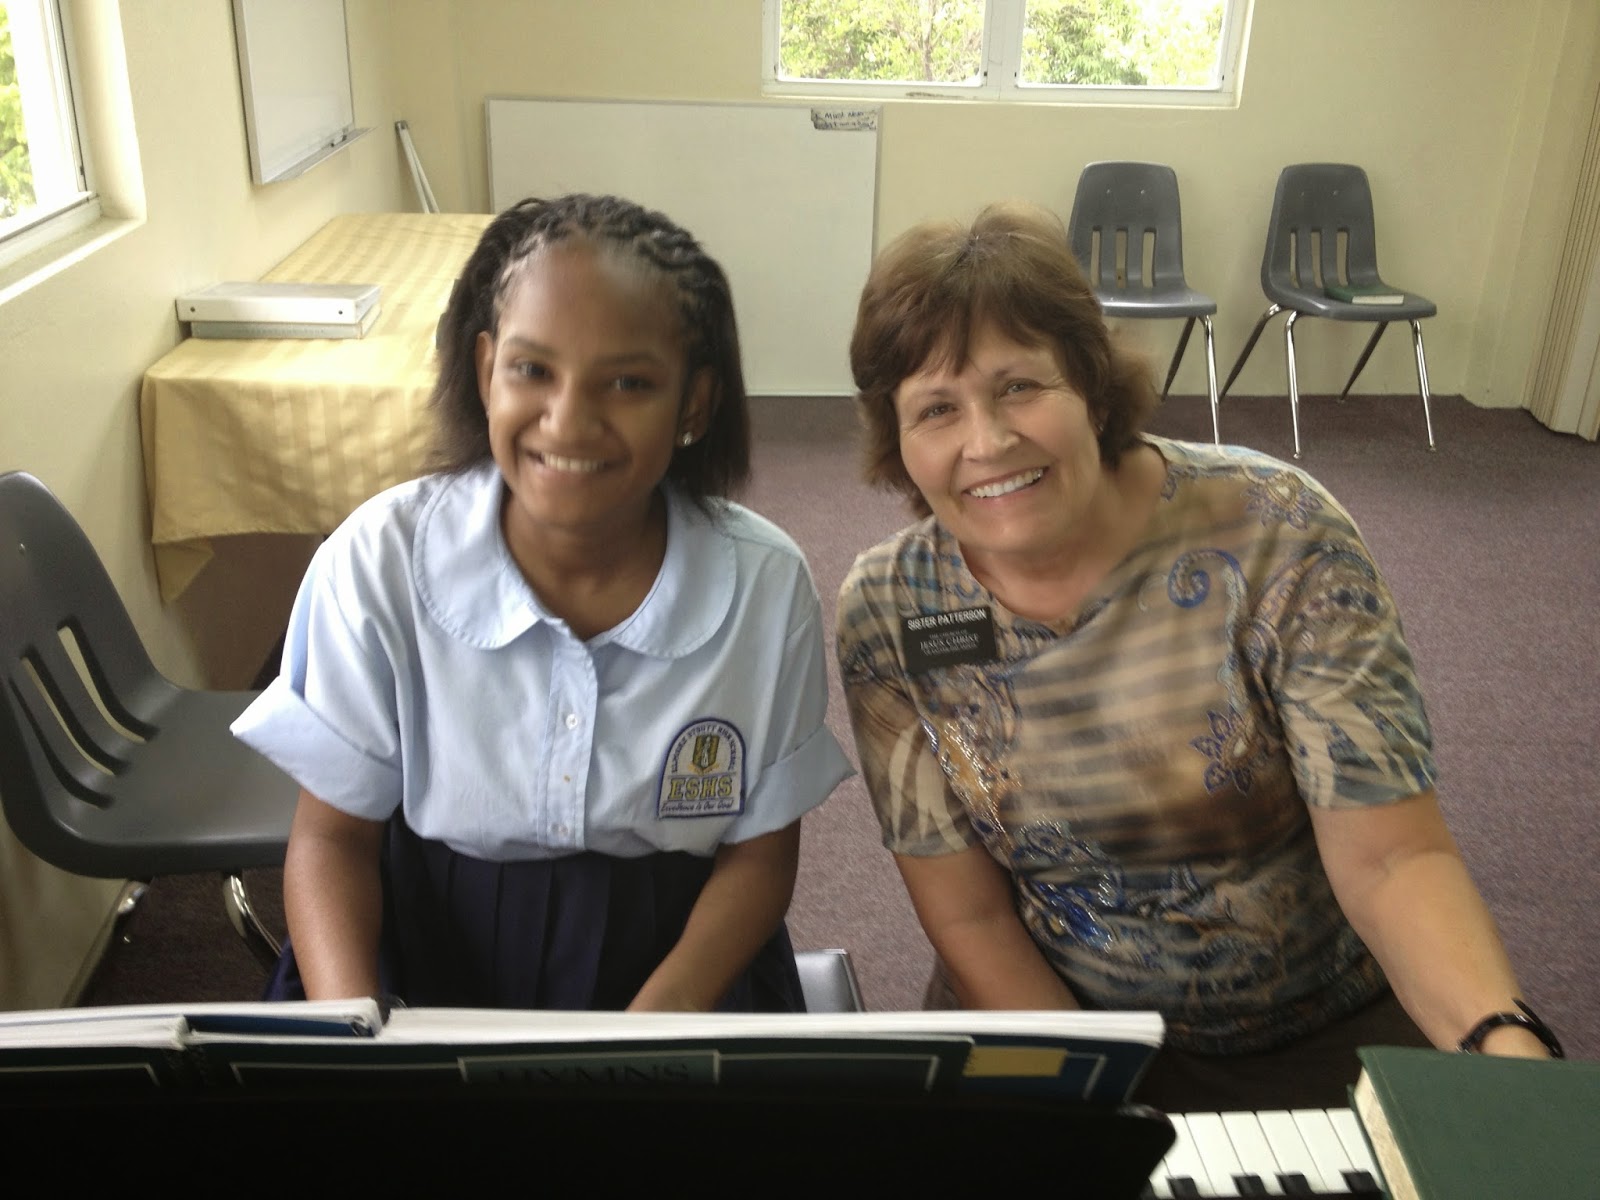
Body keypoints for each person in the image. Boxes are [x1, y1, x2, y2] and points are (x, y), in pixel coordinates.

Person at [835, 200, 1563, 1110]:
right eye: (937, 409)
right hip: (1048, 1015)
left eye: (1019, 386)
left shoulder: (1276, 533)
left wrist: (1502, 1041)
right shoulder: (892, 608)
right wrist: (1097, 1093)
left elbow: (1392, 861)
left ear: (1093, 387)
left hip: (1310, 1031)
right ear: (898, 443)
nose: (986, 441)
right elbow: (968, 913)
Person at [233, 193, 852, 1013]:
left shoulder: (765, 588)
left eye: (628, 382)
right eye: (532, 370)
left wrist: (647, 1035)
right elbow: (332, 840)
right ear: (486, 370)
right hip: (417, 950)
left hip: (678, 964)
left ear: (694, 403)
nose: (568, 422)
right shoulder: (376, 563)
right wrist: (357, 1030)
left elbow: (760, 859)